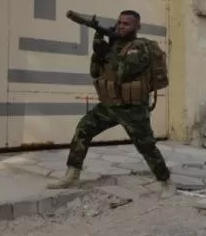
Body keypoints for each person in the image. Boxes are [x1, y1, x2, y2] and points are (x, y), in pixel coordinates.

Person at [49, 10, 174, 197]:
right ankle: (72, 174)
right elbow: (95, 72)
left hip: (131, 109)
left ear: (137, 27)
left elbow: (124, 72)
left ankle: (166, 182)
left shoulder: (138, 47)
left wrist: (107, 51)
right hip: (109, 105)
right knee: (83, 129)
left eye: (127, 24)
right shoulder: (113, 45)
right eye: (120, 23)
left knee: (146, 145)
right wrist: (98, 51)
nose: (121, 26)